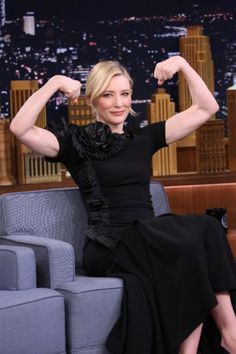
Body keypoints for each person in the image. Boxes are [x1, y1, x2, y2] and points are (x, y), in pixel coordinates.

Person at [10, 56, 236, 354]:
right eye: (108, 94)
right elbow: (20, 127)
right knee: (185, 244)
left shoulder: (144, 137)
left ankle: (227, 333)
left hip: (152, 236)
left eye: (125, 94)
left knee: (207, 228)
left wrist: (182, 64)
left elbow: (207, 107)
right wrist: (53, 84)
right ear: (92, 99)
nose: (118, 103)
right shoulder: (75, 142)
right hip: (109, 245)